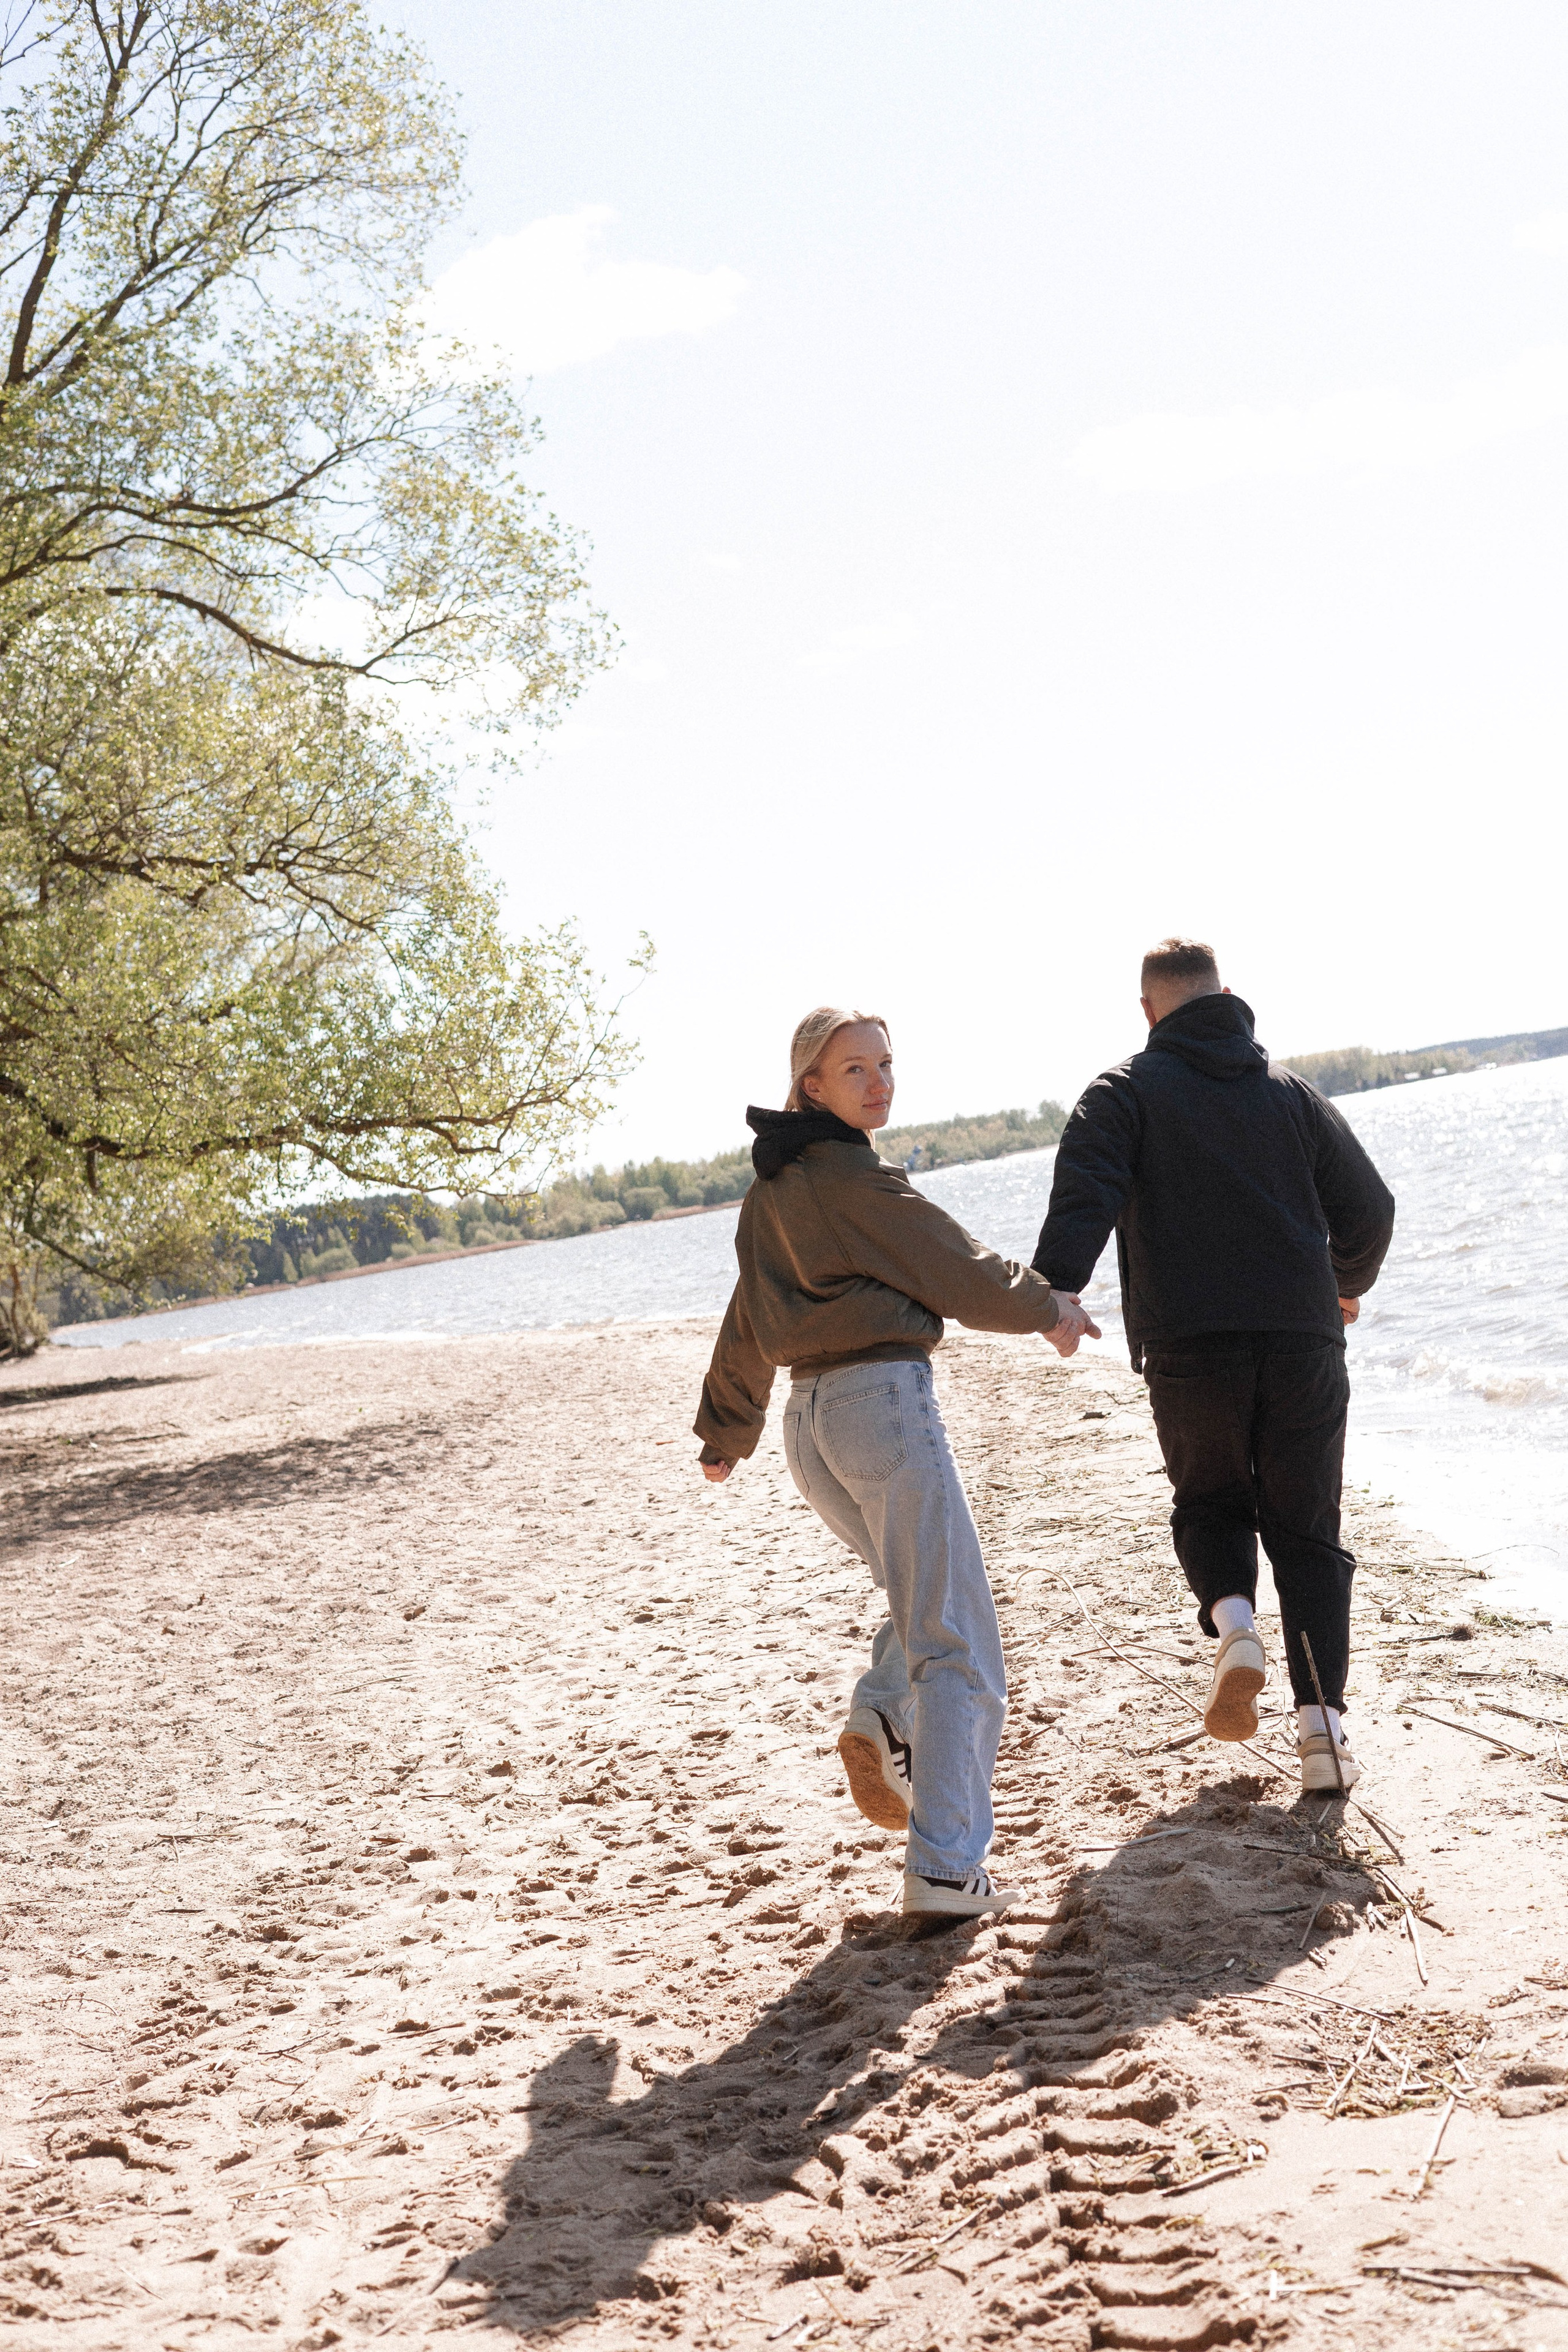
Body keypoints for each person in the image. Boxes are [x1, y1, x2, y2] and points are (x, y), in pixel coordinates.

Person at [694, 1005, 1098, 1917]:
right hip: (880, 1407)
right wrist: (1050, 1310)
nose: (879, 1083)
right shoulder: (852, 1178)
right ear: (811, 1086)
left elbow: (747, 1314)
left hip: (810, 1428)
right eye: (855, 1070)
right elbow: (952, 1264)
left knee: (923, 1605)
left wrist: (727, 1428)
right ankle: (946, 1864)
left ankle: (883, 1710)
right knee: (957, 1642)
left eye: (885, 1064)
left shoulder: (773, 1191)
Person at [1031, 940, 1396, 1796]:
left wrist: (1056, 1293)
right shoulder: (1290, 1093)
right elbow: (1371, 1209)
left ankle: (1236, 1626)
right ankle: (1323, 1736)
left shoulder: (1121, 1093)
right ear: (1228, 995)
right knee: (1308, 1529)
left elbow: (1085, 1194)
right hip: (1303, 1339)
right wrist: (1343, 1285)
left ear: (1148, 1011)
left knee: (1210, 1503)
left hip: (1190, 1348)